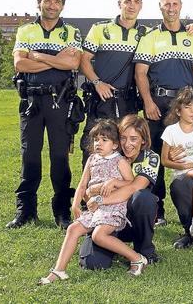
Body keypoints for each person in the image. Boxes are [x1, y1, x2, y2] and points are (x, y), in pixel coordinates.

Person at [79, 0, 193, 168]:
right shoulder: (100, 29)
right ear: (119, 3)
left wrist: (191, 27)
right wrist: (97, 83)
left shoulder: (145, 34)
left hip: (128, 101)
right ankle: (88, 194)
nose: (131, 6)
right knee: (95, 151)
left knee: (126, 151)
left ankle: (122, 195)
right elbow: (84, 60)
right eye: (127, 1)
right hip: (101, 99)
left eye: (136, 2)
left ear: (141, 5)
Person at [7, 0, 83, 229]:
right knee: (29, 156)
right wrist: (56, 61)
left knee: (59, 157)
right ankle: (26, 211)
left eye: (57, 1)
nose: (52, 5)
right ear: (39, 2)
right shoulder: (26, 31)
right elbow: (21, 65)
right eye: (48, 0)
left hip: (59, 100)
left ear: (62, 5)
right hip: (31, 101)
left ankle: (62, 211)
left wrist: (37, 56)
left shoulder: (71, 32)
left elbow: (73, 62)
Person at [39, 120, 148, 284]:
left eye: (104, 140)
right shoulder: (91, 159)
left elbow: (130, 183)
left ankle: (137, 258)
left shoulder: (120, 161)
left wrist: (114, 182)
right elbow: (83, 185)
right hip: (95, 209)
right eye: (96, 139)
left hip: (113, 208)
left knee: (99, 235)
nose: (99, 143)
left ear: (115, 145)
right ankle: (59, 270)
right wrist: (75, 204)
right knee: (73, 228)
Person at [133, 0, 193, 230]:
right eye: (167, 4)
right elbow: (141, 73)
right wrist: (148, 102)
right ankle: (156, 208)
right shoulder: (150, 36)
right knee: (155, 156)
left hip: (185, 104)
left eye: (175, 4)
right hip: (158, 103)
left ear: (181, 5)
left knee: (188, 154)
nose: (171, 8)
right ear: (160, 7)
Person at [78, 115, 160, 269]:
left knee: (143, 197)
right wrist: (94, 189)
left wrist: (104, 194)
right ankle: (114, 246)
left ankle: (144, 250)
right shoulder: (109, 153)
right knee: (92, 264)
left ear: (143, 140)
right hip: (105, 217)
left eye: (134, 139)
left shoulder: (151, 157)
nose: (127, 144)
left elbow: (134, 187)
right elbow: (87, 190)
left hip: (132, 221)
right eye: (123, 138)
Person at [160, 89, 193, 246]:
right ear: (178, 110)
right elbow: (164, 161)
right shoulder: (171, 131)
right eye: (188, 107)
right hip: (182, 173)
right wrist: (183, 165)